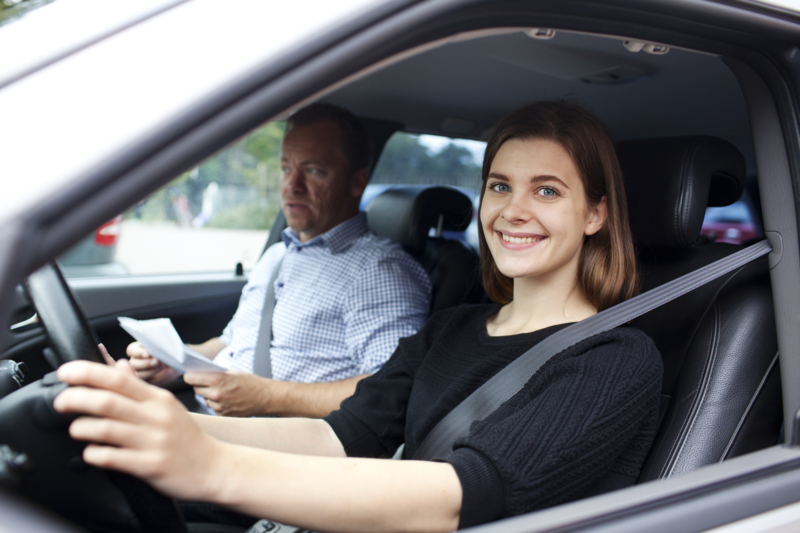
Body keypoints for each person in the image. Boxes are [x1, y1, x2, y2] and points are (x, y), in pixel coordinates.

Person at [54, 100, 663, 532]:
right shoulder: (452, 329)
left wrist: (211, 465)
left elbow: (461, 496)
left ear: (596, 215)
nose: (513, 210)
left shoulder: (615, 358)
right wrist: (166, 420)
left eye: (548, 190)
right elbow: (343, 436)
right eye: (499, 186)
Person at [128, 104, 432, 418]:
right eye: (286, 168)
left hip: (273, 445)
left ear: (356, 182)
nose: (292, 185)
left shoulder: (380, 271)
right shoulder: (279, 254)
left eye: (313, 170)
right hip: (212, 419)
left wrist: (267, 397)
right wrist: (174, 361)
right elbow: (233, 341)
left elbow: (390, 392)